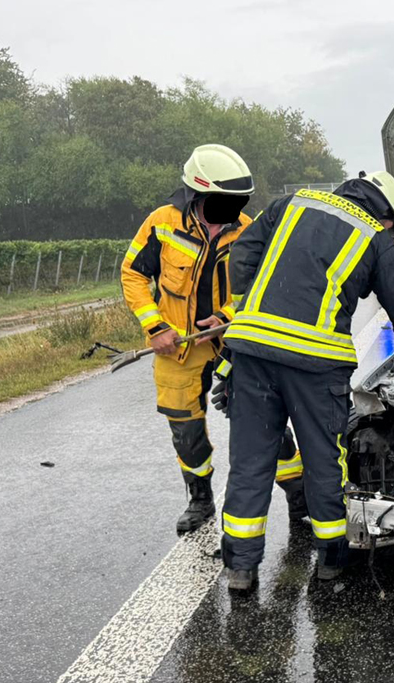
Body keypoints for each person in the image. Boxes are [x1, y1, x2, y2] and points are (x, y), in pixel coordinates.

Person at [215, 171, 394, 592]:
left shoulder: (292, 203)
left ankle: (240, 569)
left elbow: (241, 255)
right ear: (389, 216)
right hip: (316, 366)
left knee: (249, 462)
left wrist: (249, 311)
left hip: (252, 354)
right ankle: (331, 561)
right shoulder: (375, 237)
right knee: (324, 462)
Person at [120, 144, 308, 534]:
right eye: (224, 201)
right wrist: (155, 328)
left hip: (233, 343)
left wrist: (225, 317)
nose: (232, 209)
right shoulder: (161, 223)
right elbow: (133, 274)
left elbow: (260, 286)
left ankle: (298, 494)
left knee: (265, 420)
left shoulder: (249, 229)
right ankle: (200, 498)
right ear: (197, 193)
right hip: (178, 347)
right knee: (185, 430)